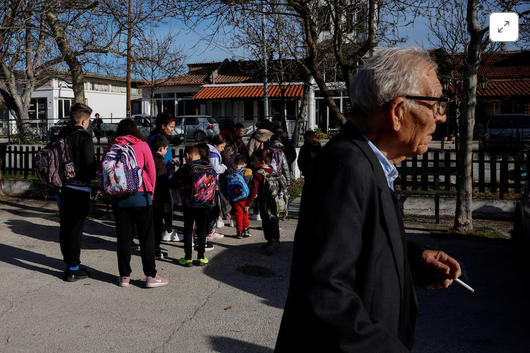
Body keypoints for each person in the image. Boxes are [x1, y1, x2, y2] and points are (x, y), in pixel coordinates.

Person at [275, 47, 461, 352]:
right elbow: (324, 294)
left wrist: (413, 260)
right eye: (436, 104)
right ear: (398, 112)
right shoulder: (347, 165)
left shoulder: (369, 163)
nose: (440, 118)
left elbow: (356, 243)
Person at [102, 119, 168, 288]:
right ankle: (151, 276)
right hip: (141, 197)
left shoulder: (112, 147)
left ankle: (124, 276)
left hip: (119, 198)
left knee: (123, 238)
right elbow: (151, 172)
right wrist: (150, 193)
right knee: (146, 237)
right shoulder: (142, 145)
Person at [57, 103, 97, 282]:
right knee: (76, 229)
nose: (88, 123)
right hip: (79, 188)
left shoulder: (61, 135)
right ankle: (73, 269)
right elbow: (89, 165)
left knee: (65, 226)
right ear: (83, 120)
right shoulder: (84, 138)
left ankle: (68, 263)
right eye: (88, 120)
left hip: (61, 187)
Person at [172, 144, 211, 267]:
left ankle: (188, 258)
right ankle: (201, 257)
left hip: (189, 202)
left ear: (187, 156)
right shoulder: (207, 167)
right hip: (205, 202)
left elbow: (171, 183)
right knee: (202, 228)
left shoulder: (186, 168)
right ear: (198, 156)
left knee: (188, 229)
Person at [147, 115, 180, 242]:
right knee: (165, 203)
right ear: (163, 126)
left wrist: (171, 160)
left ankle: (166, 229)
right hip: (161, 176)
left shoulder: (159, 138)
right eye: (171, 127)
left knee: (166, 203)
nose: (172, 129)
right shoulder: (156, 140)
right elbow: (156, 157)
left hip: (163, 173)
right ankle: (167, 230)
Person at [244, 149, 282, 255]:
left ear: (262, 162)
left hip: (265, 203)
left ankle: (270, 241)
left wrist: (248, 204)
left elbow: (254, 190)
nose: (253, 162)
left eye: (256, 160)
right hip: (276, 201)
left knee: (266, 222)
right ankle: (277, 240)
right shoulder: (275, 171)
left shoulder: (258, 174)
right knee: (274, 220)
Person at [151, 135, 174, 259]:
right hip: (159, 198)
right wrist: (166, 202)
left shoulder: (148, 160)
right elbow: (163, 185)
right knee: (158, 224)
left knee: (150, 224)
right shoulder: (161, 164)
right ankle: (155, 248)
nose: (167, 151)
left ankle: (151, 246)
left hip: (149, 197)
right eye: (166, 149)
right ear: (161, 149)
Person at [207, 135, 228, 240]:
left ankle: (211, 229)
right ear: (215, 145)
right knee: (214, 207)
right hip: (213, 183)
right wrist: (224, 167)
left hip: (210, 183)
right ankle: (210, 230)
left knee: (213, 207)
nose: (223, 149)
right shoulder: (214, 154)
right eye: (221, 147)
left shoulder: (209, 152)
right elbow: (216, 168)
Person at [228, 155, 253, 239]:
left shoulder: (231, 172)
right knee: (245, 213)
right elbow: (250, 184)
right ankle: (246, 231)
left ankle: (239, 232)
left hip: (235, 198)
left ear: (234, 164)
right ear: (245, 164)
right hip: (245, 197)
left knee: (238, 215)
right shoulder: (247, 172)